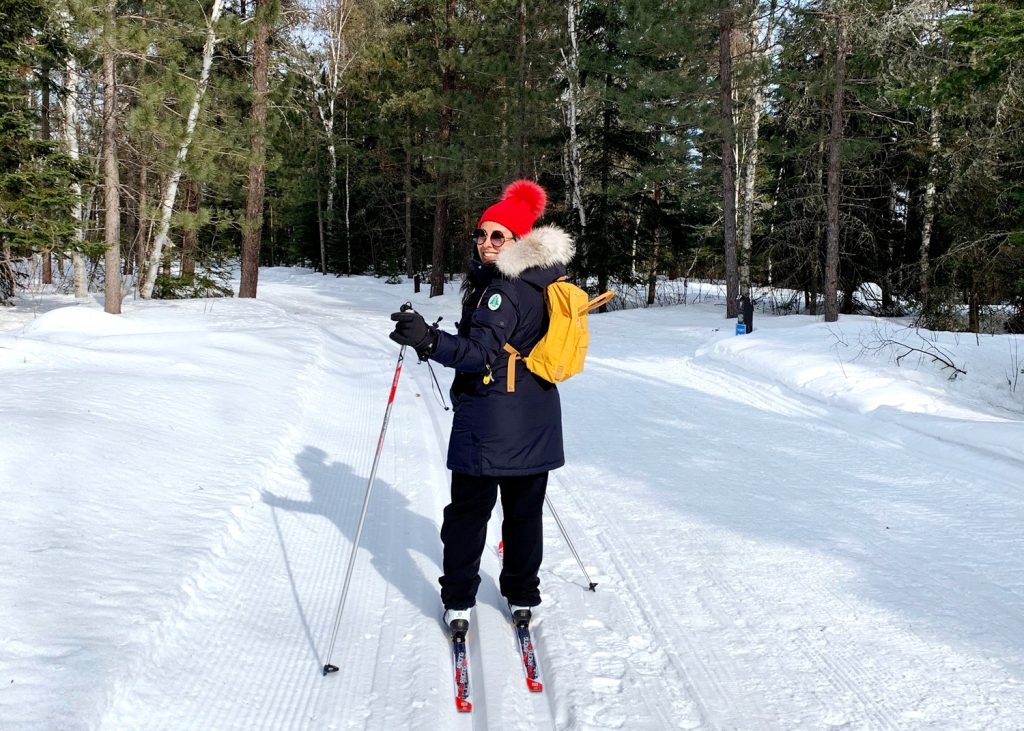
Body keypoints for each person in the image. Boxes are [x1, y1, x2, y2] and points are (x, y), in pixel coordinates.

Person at [388, 180, 574, 636]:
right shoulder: (543, 279)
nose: (486, 243)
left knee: (469, 513)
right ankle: (522, 593)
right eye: (481, 234)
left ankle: (458, 599)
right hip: (537, 417)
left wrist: (428, 340)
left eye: (498, 236)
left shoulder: (502, 290)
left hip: (491, 419)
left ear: (521, 241)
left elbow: (480, 353)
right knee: (524, 514)